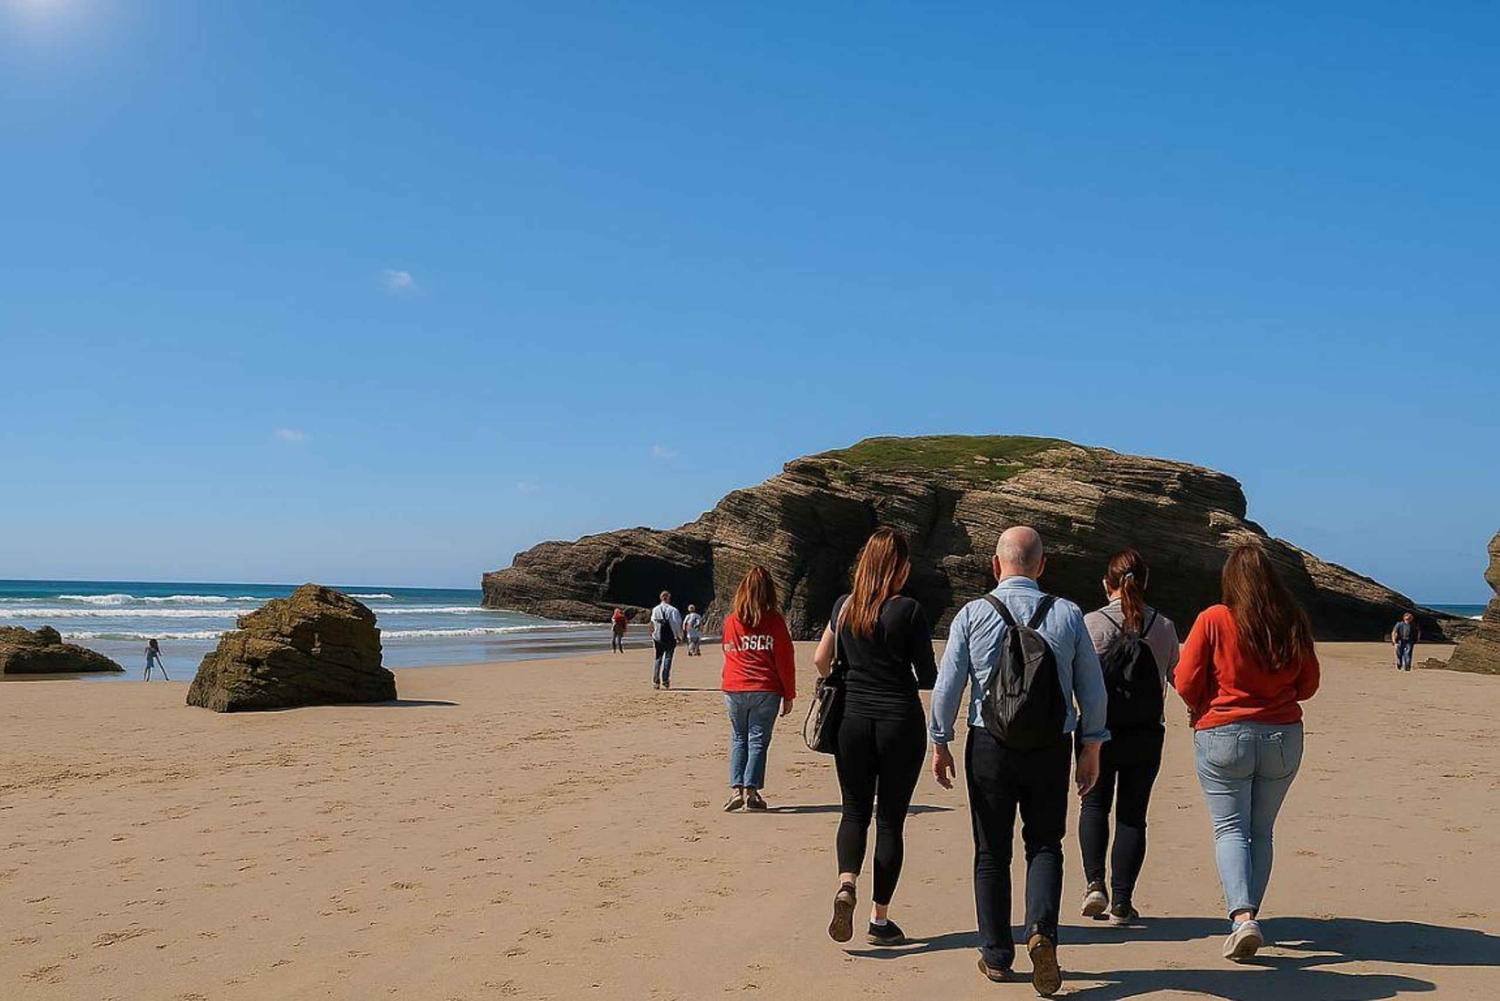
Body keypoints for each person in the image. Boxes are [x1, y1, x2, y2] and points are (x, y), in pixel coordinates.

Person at [929, 526, 1108, 996]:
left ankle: (996, 954)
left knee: (991, 850)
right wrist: (1091, 746)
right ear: (1042, 565)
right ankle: (1041, 932)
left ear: (995, 565)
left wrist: (940, 740)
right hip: (1051, 744)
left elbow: (948, 687)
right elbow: (1092, 690)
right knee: (1045, 843)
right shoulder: (1068, 613)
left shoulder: (973, 614)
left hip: (990, 743)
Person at [1174, 543, 1320, 962]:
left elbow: (1185, 681)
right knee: (1262, 830)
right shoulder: (1291, 619)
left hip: (1223, 732)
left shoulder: (1214, 618)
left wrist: (1203, 703)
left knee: (1230, 829)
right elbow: (1308, 685)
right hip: (1282, 735)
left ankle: (1242, 918)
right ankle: (1249, 915)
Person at [812, 527, 937, 948]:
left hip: (852, 719)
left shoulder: (843, 606)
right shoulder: (908, 610)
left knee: (854, 811)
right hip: (898, 720)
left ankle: (846, 883)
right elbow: (928, 675)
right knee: (890, 820)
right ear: (899, 567)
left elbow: (820, 659)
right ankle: (879, 920)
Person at [1078, 549, 1180, 926]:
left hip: (1098, 731)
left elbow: (1077, 680)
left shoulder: (1091, 623)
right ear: (1145, 582)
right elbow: (1177, 678)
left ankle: (1094, 885)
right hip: (1146, 732)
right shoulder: (1164, 626)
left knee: (1093, 807)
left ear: (1106, 583)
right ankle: (1122, 901)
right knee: (1132, 817)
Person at [720, 567, 797, 812]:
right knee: (757, 741)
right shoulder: (774, 620)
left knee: (739, 738)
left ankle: (736, 789)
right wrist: (789, 694)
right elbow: (785, 659)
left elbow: (728, 651)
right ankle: (751, 792)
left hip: (734, 687)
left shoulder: (731, 621)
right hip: (765, 687)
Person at [650, 591, 683, 690]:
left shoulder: (655, 609)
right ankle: (665, 680)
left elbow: (652, 623)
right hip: (670, 637)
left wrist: (653, 635)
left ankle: (656, 681)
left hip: (658, 637)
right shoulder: (673, 610)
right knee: (668, 658)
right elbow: (676, 624)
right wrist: (679, 636)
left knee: (658, 659)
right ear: (668, 598)